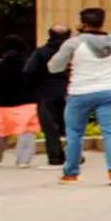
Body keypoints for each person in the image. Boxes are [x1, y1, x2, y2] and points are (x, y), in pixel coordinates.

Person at [47, 7, 111, 185]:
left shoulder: (73, 43)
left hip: (80, 92)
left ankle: (71, 173)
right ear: (102, 21)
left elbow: (53, 67)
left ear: (82, 23)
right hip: (109, 90)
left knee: (75, 133)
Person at [0, 37, 40, 167]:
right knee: (27, 132)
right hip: (26, 102)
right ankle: (23, 160)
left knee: (1, 132)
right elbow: (36, 82)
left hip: (2, 104)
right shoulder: (29, 64)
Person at [25, 25, 72, 167]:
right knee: (72, 125)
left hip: (46, 92)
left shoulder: (41, 52)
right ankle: (73, 154)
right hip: (69, 90)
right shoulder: (73, 52)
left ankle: (55, 157)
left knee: (50, 127)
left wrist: (36, 86)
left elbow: (29, 71)